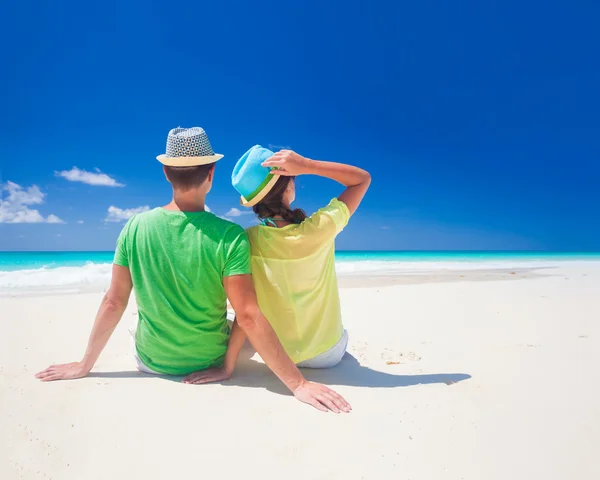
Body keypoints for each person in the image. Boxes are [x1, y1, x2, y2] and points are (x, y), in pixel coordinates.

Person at [35, 127, 350, 414]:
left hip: (150, 363)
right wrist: (298, 384)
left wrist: (84, 364)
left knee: (135, 318)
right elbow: (248, 316)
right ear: (211, 173)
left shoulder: (135, 227)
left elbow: (113, 301)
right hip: (209, 361)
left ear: (165, 173)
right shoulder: (229, 236)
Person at [219, 145, 370, 374]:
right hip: (327, 355)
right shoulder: (321, 227)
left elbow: (245, 310)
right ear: (287, 185)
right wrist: (307, 165)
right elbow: (361, 179)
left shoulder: (247, 240)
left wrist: (227, 368)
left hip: (275, 354)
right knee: (342, 335)